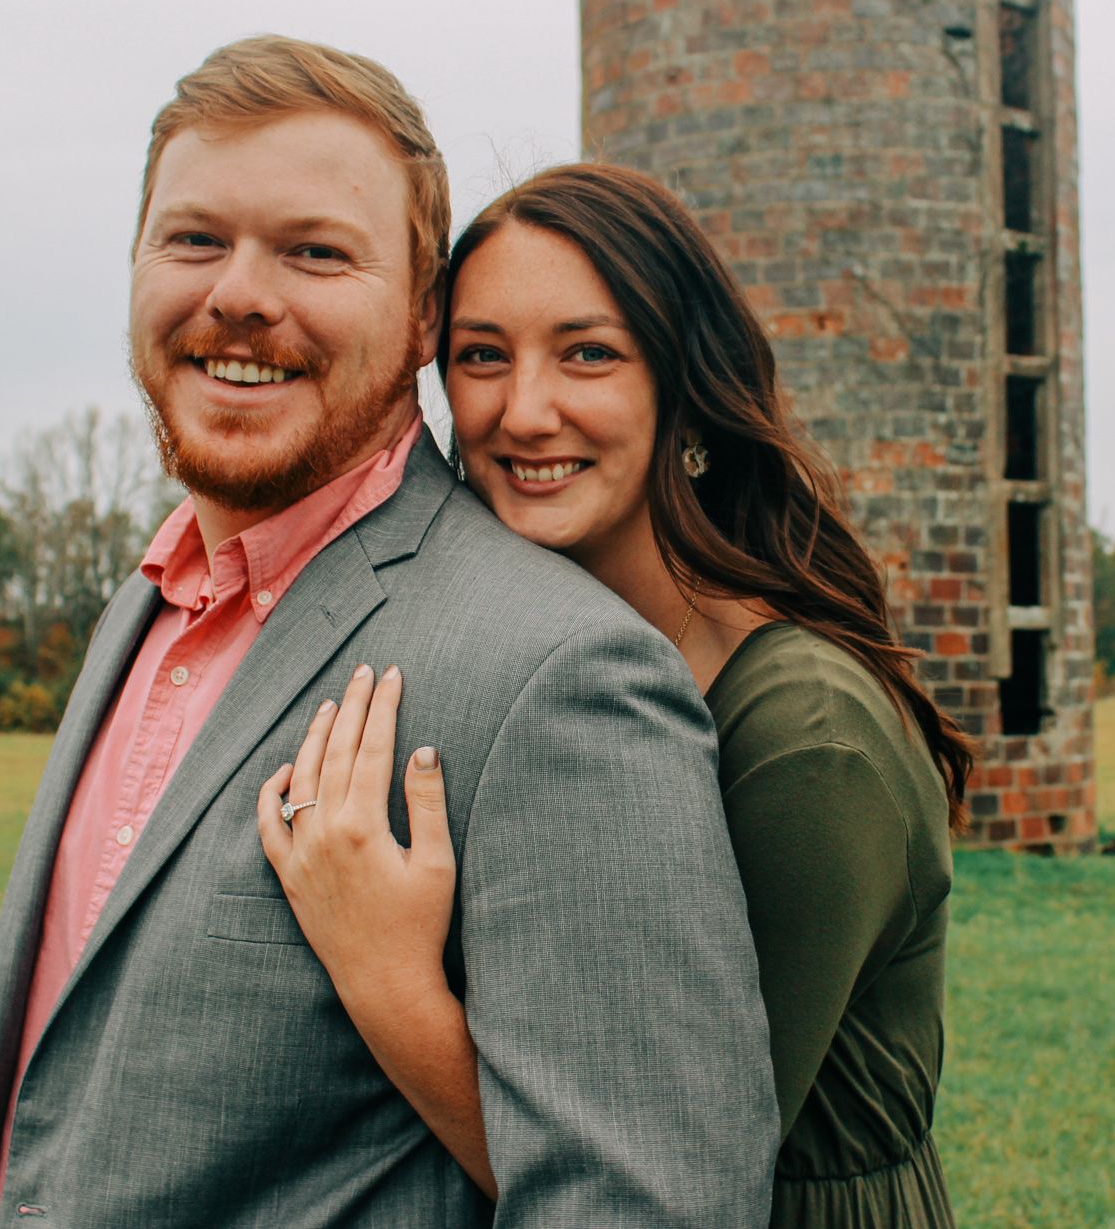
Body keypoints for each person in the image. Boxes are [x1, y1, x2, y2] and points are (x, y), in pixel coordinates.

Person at [0, 38, 778, 1229]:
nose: (237, 292)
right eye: (193, 239)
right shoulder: (147, 604)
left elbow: (650, 1203)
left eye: (314, 253)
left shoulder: (560, 674)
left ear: (423, 316)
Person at [267, 162, 969, 1227]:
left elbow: (655, 1177)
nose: (523, 411)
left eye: (587, 354)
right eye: (481, 358)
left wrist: (386, 976)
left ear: (683, 387)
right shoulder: (536, 673)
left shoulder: (805, 740)